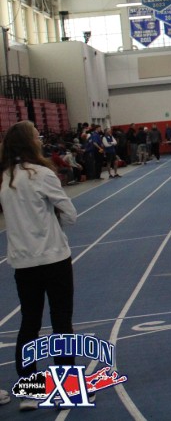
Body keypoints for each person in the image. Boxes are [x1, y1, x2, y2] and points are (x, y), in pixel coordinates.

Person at [0, 121, 78, 411]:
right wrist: (53, 218)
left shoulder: (5, 178)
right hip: (53, 258)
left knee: (29, 323)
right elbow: (70, 214)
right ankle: (65, 390)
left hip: (23, 263)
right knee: (61, 323)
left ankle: (30, 392)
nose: (40, 139)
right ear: (29, 142)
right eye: (36, 136)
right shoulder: (42, 174)